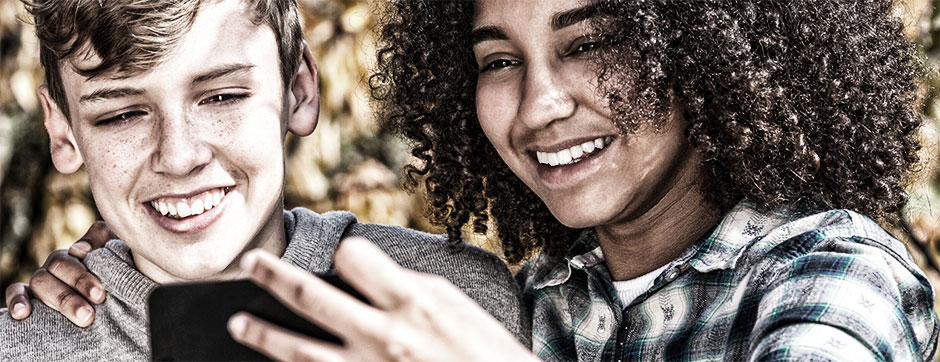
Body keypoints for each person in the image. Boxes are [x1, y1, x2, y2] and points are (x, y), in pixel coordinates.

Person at [11, 0, 940, 360]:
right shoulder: (538, 300)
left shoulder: (831, 281)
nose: (539, 104)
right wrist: (121, 256)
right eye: (499, 60)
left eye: (590, 45)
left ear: (704, 44)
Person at [0, 0, 527, 360]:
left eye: (223, 96)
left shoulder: (453, 302)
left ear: (298, 90)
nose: (180, 157)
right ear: (63, 130)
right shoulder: (22, 346)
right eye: (120, 115)